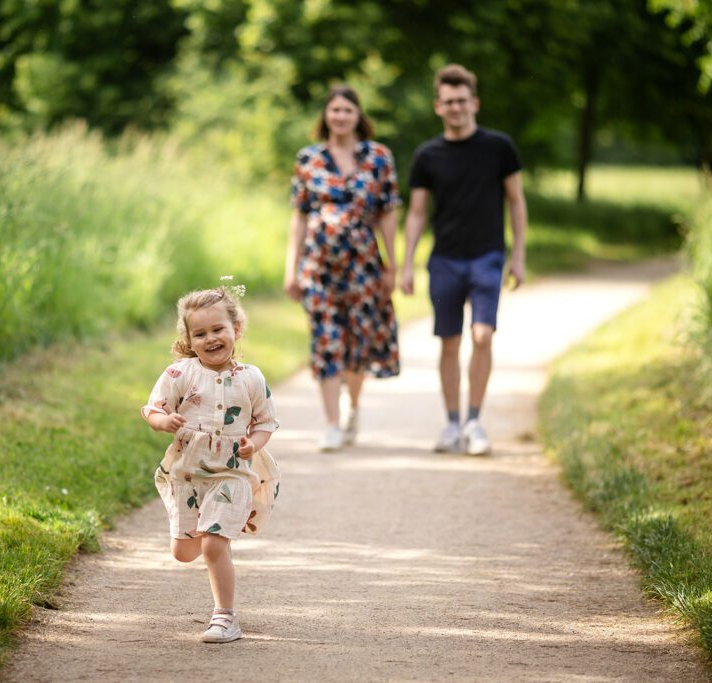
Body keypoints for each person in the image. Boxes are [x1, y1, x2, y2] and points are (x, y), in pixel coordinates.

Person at [400, 63, 528, 455]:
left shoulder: (499, 147)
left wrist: (518, 254)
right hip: (445, 261)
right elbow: (418, 212)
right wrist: (406, 263)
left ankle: (475, 422)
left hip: (488, 256)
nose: (455, 107)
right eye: (448, 101)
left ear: (474, 102)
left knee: (482, 335)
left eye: (462, 100)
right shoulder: (428, 155)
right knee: (451, 342)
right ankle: (452, 425)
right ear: (439, 106)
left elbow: (516, 201)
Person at [142, 286, 280, 644]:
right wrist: (164, 421)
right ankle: (206, 532)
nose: (211, 338)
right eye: (199, 333)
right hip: (189, 474)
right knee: (184, 552)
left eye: (218, 329)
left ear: (236, 328)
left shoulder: (251, 377)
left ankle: (225, 617)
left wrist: (254, 443)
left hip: (232, 472)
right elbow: (152, 408)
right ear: (188, 339)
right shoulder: (180, 374)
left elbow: (266, 421)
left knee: (214, 545)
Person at [284, 84, 401, 452]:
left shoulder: (379, 157)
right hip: (318, 266)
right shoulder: (308, 159)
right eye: (334, 110)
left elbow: (387, 213)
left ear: (358, 116)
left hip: (364, 264)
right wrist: (291, 268)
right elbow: (299, 218)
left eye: (347, 110)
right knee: (326, 340)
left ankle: (353, 407)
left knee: (357, 340)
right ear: (325, 116)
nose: (340, 116)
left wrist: (391, 265)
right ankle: (332, 424)